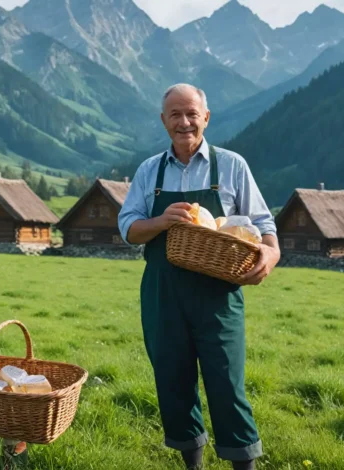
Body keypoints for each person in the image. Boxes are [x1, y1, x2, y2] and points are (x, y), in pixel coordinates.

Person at [118, 84, 280, 469]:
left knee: (227, 384)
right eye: (175, 114)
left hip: (218, 293)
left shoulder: (232, 165)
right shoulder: (148, 171)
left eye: (192, 113)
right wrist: (159, 221)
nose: (184, 122)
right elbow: (128, 228)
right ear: (163, 121)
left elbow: (262, 223)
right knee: (173, 382)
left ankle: (244, 463)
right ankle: (193, 464)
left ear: (206, 118)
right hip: (163, 292)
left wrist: (271, 253)